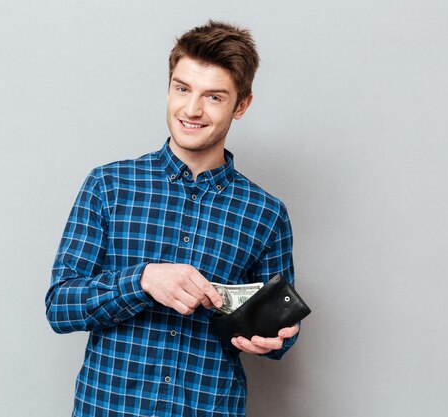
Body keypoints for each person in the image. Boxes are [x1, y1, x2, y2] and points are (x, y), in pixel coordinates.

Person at [45, 20, 301, 417]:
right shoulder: (109, 185)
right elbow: (60, 306)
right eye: (182, 89)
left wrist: (279, 336)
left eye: (214, 97)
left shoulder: (266, 214)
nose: (192, 110)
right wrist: (143, 280)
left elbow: (276, 329)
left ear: (242, 105)